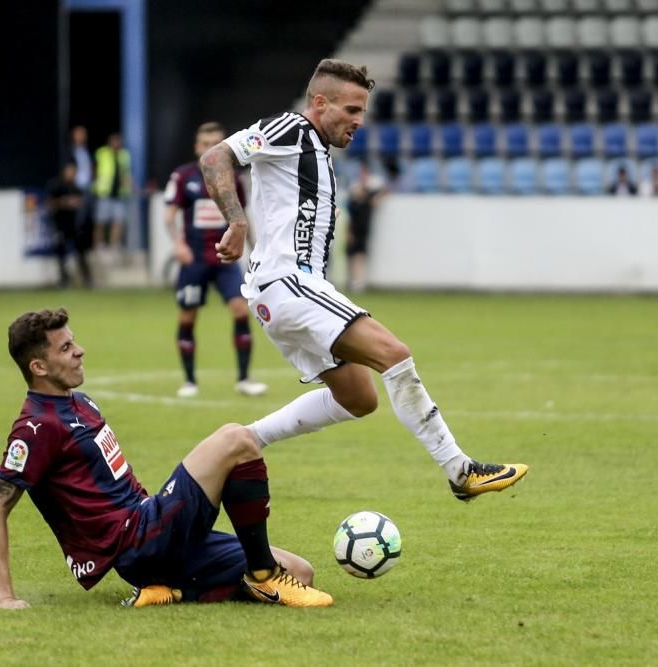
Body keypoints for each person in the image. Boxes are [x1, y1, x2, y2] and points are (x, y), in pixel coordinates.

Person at [199, 58, 528, 501]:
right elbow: (216, 156)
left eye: (363, 112)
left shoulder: (317, 151)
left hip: (282, 293)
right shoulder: (290, 129)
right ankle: (460, 470)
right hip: (287, 284)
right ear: (320, 102)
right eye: (352, 110)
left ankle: (247, 440)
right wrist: (236, 221)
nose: (359, 122)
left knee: (358, 398)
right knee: (395, 354)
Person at [0, 308, 333, 609]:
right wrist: (4, 596)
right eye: (66, 347)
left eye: (74, 342)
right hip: (135, 542)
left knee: (300, 572)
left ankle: (172, 591)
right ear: (38, 367)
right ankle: (263, 577)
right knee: (236, 440)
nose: (80, 351)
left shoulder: (80, 402)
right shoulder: (37, 427)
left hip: (155, 534)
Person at [163, 122, 267, 398]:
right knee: (188, 317)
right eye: (205, 142)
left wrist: (255, 249)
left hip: (224, 259)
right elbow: (169, 216)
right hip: (194, 259)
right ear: (197, 147)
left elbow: (241, 217)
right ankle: (189, 381)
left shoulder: (232, 178)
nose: (211, 146)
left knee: (241, 311)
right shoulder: (184, 177)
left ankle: (244, 379)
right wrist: (178, 244)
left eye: (217, 141)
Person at [345, 161, 390, 294]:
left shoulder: (370, 192)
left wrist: (377, 198)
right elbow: (349, 215)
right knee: (353, 256)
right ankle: (354, 281)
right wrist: (349, 232)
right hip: (354, 229)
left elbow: (385, 190)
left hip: (364, 230)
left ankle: (358, 282)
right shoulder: (353, 197)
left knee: (360, 255)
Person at [45, 162, 92, 288]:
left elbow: (80, 203)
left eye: (74, 172)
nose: (72, 174)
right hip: (59, 224)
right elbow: (50, 203)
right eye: (70, 171)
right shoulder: (56, 186)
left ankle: (87, 279)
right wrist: (65, 202)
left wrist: (76, 203)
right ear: (65, 172)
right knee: (61, 253)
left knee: (80, 252)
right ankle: (64, 280)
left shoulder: (76, 188)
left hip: (73, 225)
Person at [93, 132, 132, 256]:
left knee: (118, 221)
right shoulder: (102, 153)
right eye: (114, 141)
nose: (116, 144)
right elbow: (94, 169)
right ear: (109, 142)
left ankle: (114, 245)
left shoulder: (124, 155)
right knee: (100, 221)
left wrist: (130, 186)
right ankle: (98, 245)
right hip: (104, 193)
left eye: (118, 141)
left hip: (119, 195)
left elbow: (126, 173)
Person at [69, 125, 95, 260]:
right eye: (79, 134)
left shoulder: (86, 151)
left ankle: (85, 248)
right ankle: (76, 250)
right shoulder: (70, 152)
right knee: (78, 220)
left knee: (87, 220)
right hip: (77, 189)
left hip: (88, 188)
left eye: (83, 134)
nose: (82, 136)